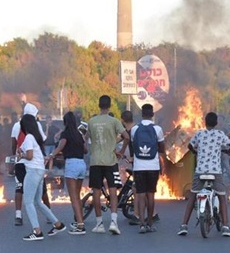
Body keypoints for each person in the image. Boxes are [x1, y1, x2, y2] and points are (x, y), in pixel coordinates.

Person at [177, 112, 230, 237]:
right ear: (216, 123)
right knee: (222, 197)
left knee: (192, 196)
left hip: (200, 171)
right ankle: (225, 226)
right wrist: (227, 150)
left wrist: (195, 152)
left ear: (205, 122)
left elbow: (189, 145)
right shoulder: (220, 134)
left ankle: (184, 225)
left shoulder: (199, 133)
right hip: (215, 172)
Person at [86, 95, 130, 235]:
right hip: (111, 161)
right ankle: (113, 222)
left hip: (95, 161)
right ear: (109, 106)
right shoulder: (114, 121)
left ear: (99, 105)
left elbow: (86, 139)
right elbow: (127, 137)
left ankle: (99, 224)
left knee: (96, 192)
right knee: (113, 190)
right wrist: (121, 152)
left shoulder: (91, 122)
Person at [19, 114, 66, 241]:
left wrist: (20, 156)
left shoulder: (28, 137)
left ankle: (37, 231)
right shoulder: (36, 137)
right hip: (39, 171)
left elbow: (29, 156)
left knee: (28, 202)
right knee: (38, 202)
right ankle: (57, 224)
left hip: (33, 171)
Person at [46, 111, 88, 235]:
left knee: (73, 197)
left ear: (65, 122)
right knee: (78, 195)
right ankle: (79, 221)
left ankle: (80, 225)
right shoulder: (79, 134)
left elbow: (61, 146)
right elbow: (85, 150)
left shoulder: (66, 133)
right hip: (81, 164)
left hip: (72, 164)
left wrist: (51, 155)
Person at [128, 104, 164, 234]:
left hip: (139, 167)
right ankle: (150, 223)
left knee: (141, 195)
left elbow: (133, 145)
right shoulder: (157, 129)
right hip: (153, 166)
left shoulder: (134, 129)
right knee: (151, 195)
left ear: (142, 114)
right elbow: (162, 148)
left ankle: (141, 224)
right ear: (152, 114)